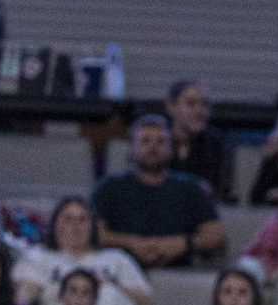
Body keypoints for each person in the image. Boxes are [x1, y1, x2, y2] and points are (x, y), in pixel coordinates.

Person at [89, 112, 224, 268]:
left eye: (161, 142)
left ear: (171, 148)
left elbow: (216, 236)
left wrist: (182, 243)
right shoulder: (108, 187)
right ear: (132, 148)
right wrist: (132, 243)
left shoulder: (192, 188)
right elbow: (93, 233)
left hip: (178, 274)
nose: (153, 147)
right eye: (145, 141)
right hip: (118, 271)